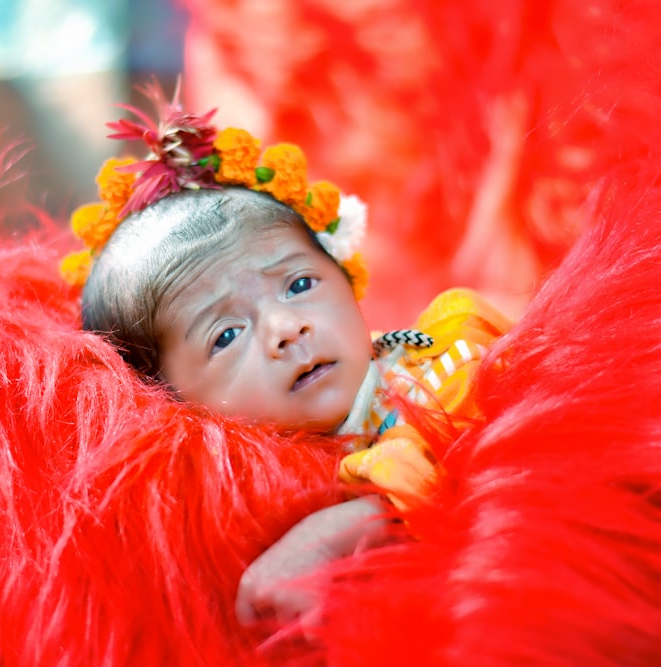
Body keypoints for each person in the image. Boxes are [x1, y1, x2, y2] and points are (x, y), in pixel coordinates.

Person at [61, 81, 512, 631]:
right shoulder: (232, 498)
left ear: (347, 283)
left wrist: (360, 518)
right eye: (225, 335)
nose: (284, 327)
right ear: (167, 400)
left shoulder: (436, 357)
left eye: (299, 284)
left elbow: (474, 434)